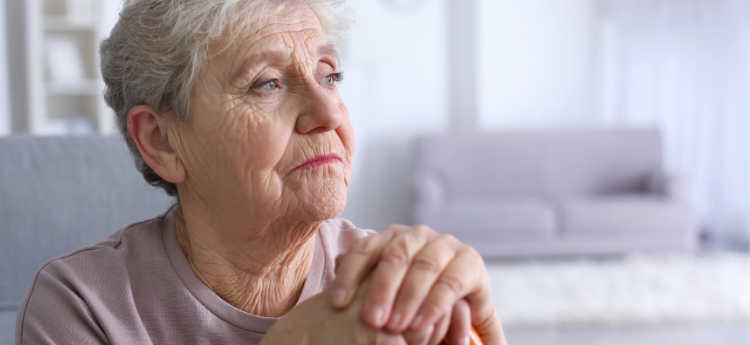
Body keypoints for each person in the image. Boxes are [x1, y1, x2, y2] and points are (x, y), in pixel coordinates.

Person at [15, 1, 506, 344]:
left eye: (329, 75)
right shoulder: (82, 306)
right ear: (163, 142)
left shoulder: (388, 284)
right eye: (267, 84)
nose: (329, 113)